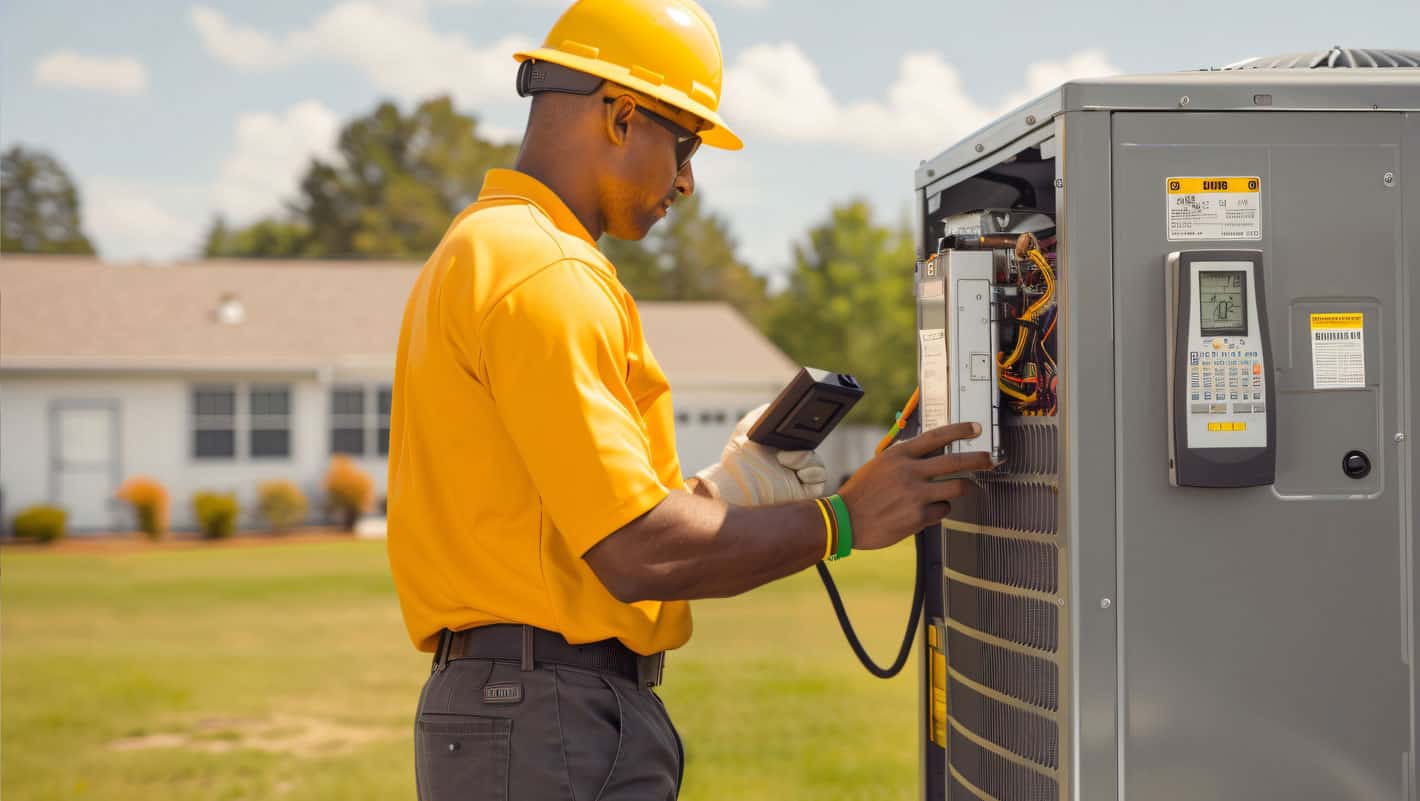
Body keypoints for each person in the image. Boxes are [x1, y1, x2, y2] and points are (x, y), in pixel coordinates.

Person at [385, 1, 992, 799]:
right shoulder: (546, 272)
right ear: (622, 114)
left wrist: (723, 494)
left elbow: (568, 521)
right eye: (687, 144)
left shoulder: (484, 251)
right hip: (548, 715)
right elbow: (639, 552)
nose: (686, 182)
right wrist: (842, 521)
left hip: (519, 707)